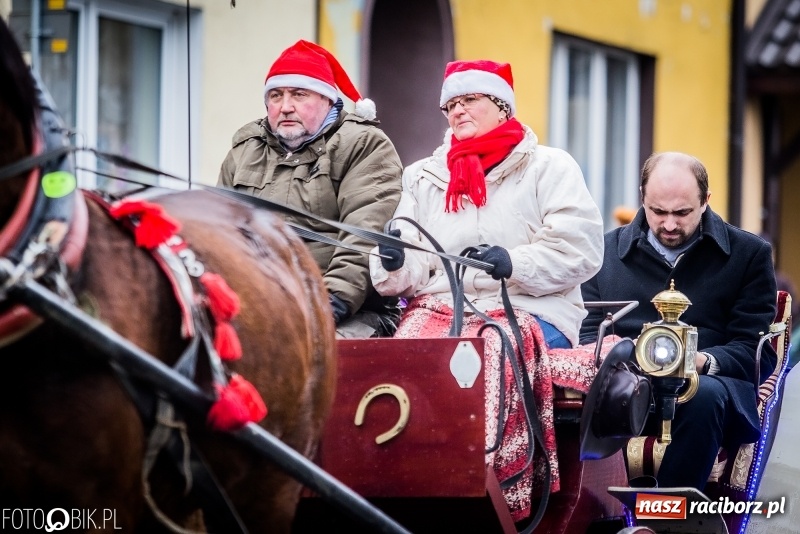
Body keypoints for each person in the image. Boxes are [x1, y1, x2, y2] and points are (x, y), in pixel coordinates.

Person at [369, 59, 604, 522]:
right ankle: (399, 483)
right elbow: (412, 260)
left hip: (531, 308)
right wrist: (393, 260)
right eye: (450, 105)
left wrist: (514, 263)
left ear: (501, 106)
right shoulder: (423, 176)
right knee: (404, 354)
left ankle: (486, 486)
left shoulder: (549, 166)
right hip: (441, 307)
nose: (456, 111)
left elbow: (581, 249)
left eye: (468, 100)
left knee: (485, 353)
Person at [580, 151, 778, 490]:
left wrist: (699, 361)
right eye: (658, 211)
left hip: (710, 392)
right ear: (642, 197)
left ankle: (667, 513)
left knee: (703, 397)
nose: (669, 225)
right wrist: (624, 359)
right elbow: (586, 335)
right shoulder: (601, 252)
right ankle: (597, 508)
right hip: (623, 387)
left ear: (705, 201)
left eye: (682, 212)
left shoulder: (749, 254)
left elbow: (756, 350)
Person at [218, 40, 403, 338]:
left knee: (308, 359)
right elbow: (219, 234)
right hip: (254, 304)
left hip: (345, 311)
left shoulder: (364, 144)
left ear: (327, 99)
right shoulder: (245, 149)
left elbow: (364, 237)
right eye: (276, 95)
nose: (285, 107)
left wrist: (326, 306)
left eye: (299, 94)